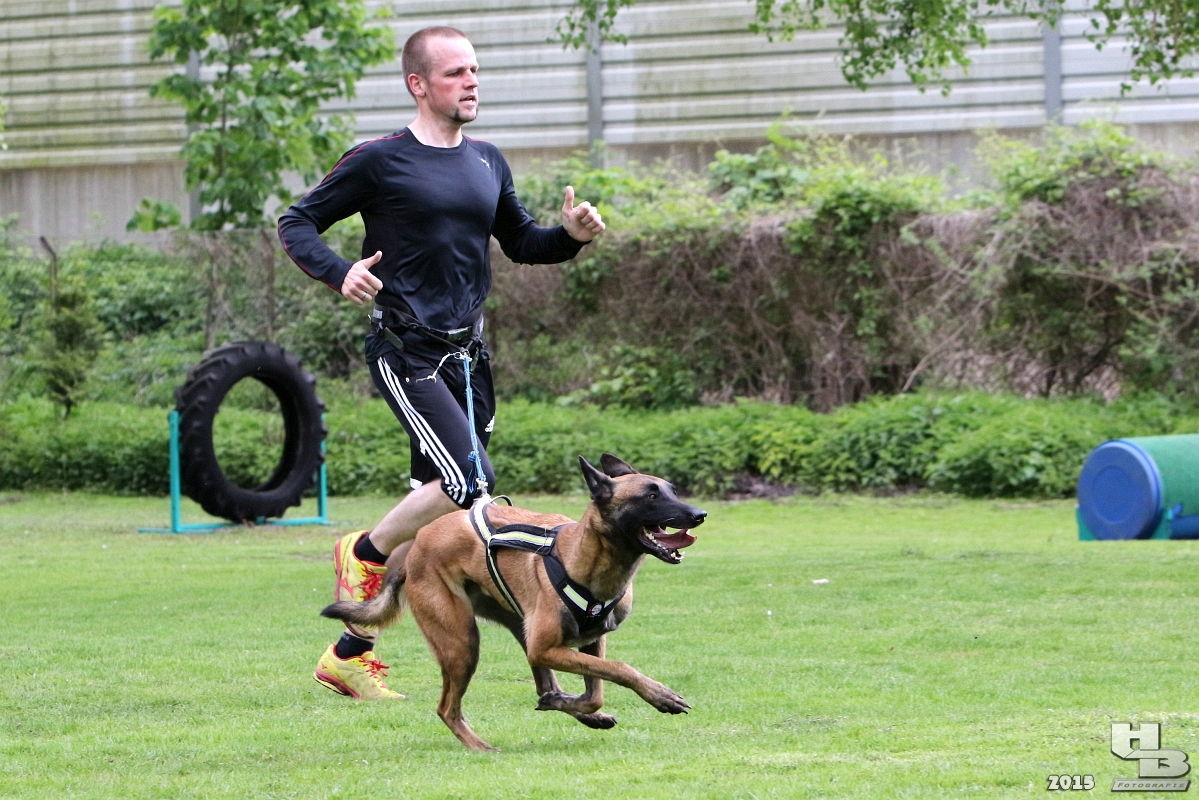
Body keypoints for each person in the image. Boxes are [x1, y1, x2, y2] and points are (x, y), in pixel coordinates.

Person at [277, 25, 606, 700]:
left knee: (438, 512)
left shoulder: (487, 161)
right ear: (418, 84)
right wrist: (339, 271)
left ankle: (348, 655)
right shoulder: (379, 161)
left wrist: (569, 237)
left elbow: (522, 242)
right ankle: (364, 553)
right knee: (469, 483)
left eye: (474, 70)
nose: (471, 81)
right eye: (455, 72)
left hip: (468, 359)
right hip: (407, 351)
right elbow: (296, 221)